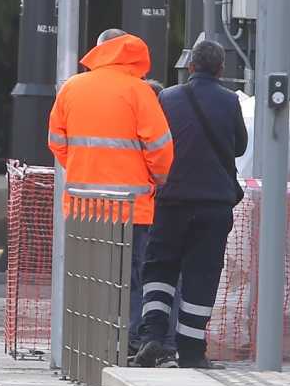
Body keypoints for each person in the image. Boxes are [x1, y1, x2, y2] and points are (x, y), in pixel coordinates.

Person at [46, 28, 174, 350]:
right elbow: (161, 149)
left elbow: (57, 143)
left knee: (88, 278)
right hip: (133, 207)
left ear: (100, 51)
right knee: (131, 280)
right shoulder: (139, 91)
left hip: (82, 207)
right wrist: (157, 179)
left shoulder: (71, 88)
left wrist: (83, 168)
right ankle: (129, 341)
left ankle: (87, 344)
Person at [132, 36, 249, 368]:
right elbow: (240, 146)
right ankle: (193, 352)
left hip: (170, 202)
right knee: (202, 275)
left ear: (191, 66)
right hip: (214, 206)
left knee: (159, 268)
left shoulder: (167, 98)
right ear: (221, 69)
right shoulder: (230, 102)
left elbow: (153, 142)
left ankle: (152, 339)